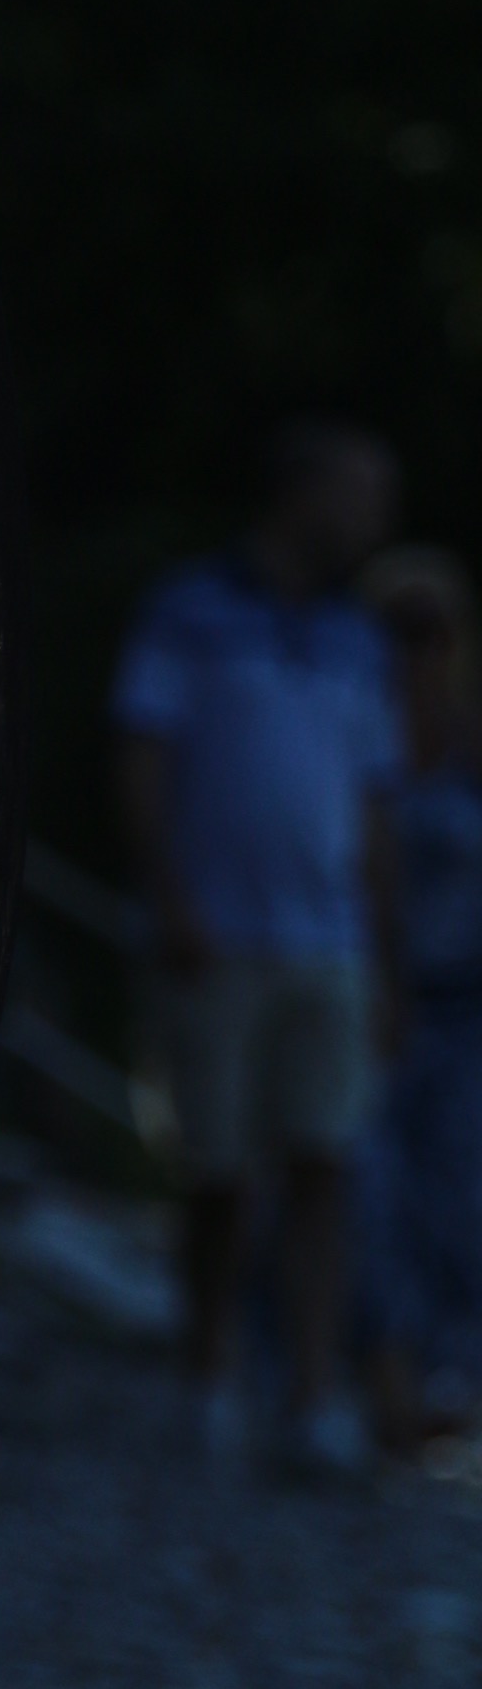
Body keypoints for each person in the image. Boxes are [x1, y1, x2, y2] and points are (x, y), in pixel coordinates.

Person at [114, 416, 404, 1473]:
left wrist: (384, 953)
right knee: (219, 1170)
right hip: (218, 934)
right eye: (361, 497)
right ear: (304, 493)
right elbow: (143, 752)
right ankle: (208, 1374)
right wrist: (169, 897)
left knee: (326, 1162)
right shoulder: (190, 612)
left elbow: (374, 801)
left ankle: (313, 1393)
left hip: (328, 943)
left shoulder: (358, 639)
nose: (374, 521)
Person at [358, 545, 482, 1455]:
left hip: (465, 1007)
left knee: (460, 1200)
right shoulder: (353, 738)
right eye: (398, 629)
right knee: (373, 1198)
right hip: (369, 998)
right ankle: (384, 1382)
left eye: (431, 631)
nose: (415, 651)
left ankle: (453, 1383)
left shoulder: (470, 751)